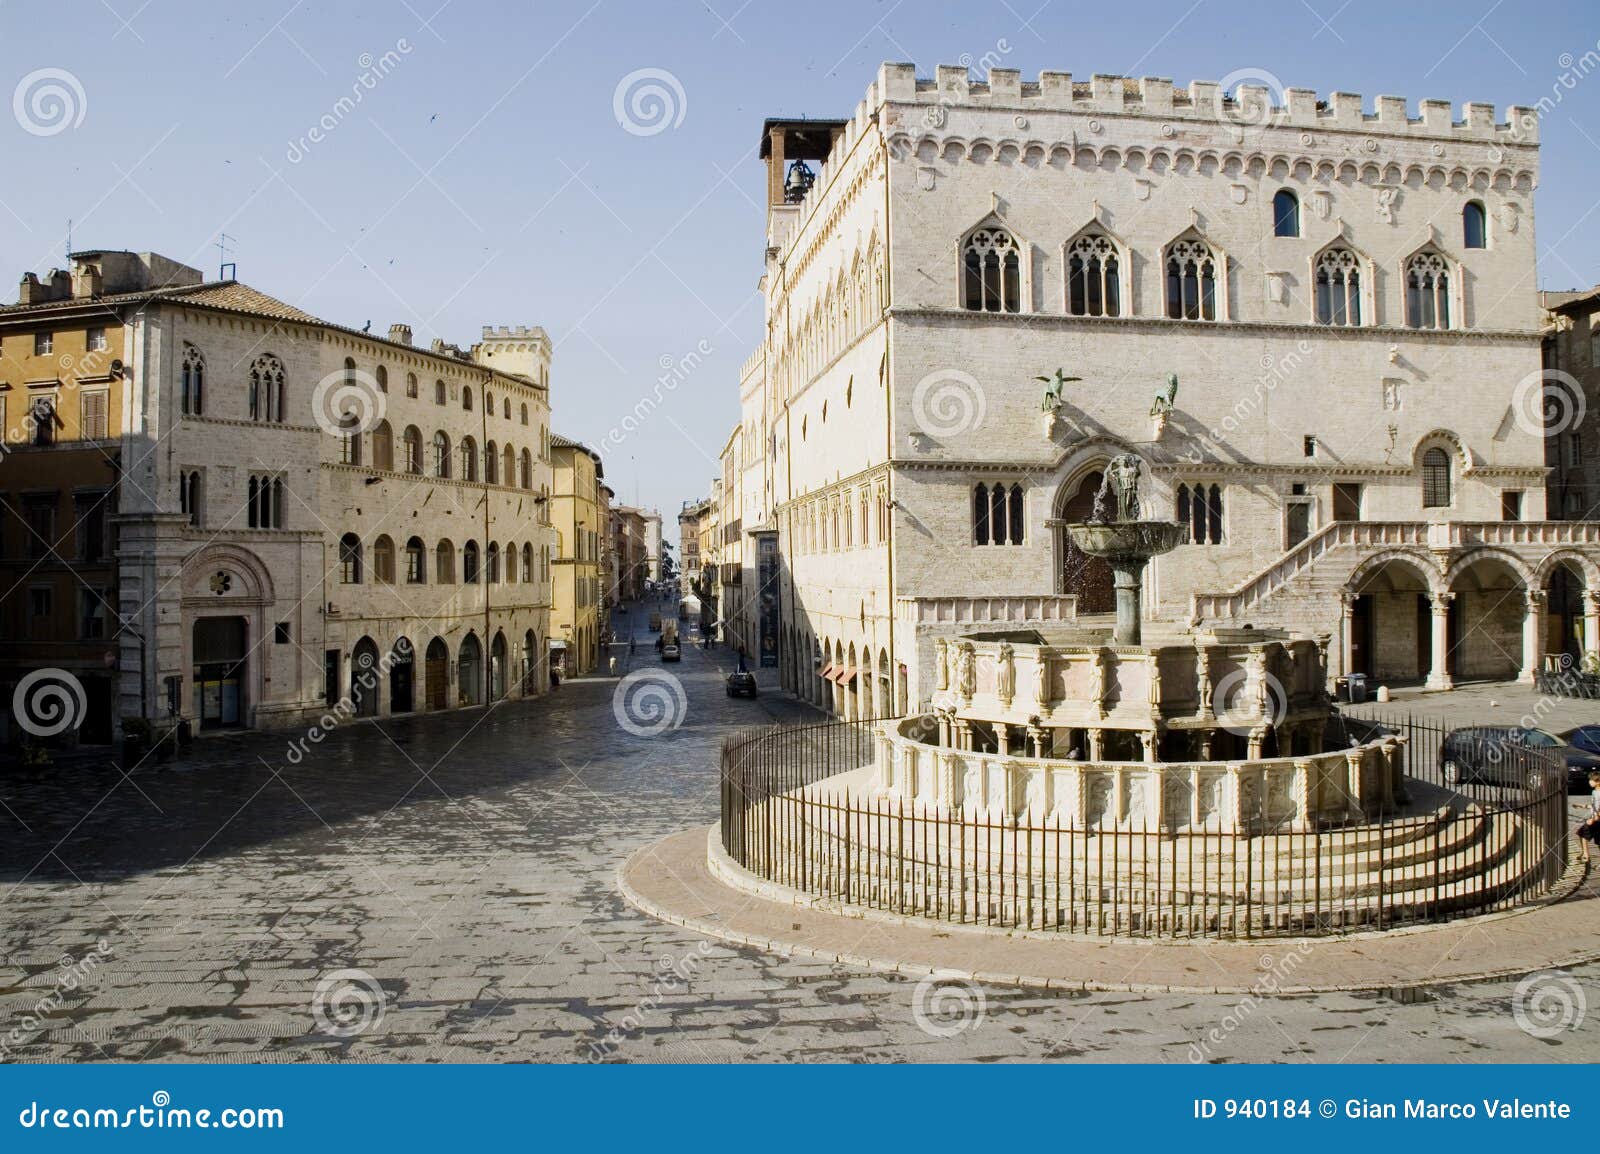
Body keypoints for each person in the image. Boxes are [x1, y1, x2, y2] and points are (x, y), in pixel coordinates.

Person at [1579, 772, 1600, 861]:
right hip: (1596, 819)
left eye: (1591, 780)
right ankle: (1585, 854)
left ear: (1598, 781)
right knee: (1582, 833)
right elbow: (1594, 806)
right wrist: (1583, 806)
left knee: (1582, 833)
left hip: (1597, 819)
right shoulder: (1594, 791)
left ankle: (1586, 855)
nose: (1589, 782)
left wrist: (1594, 819)